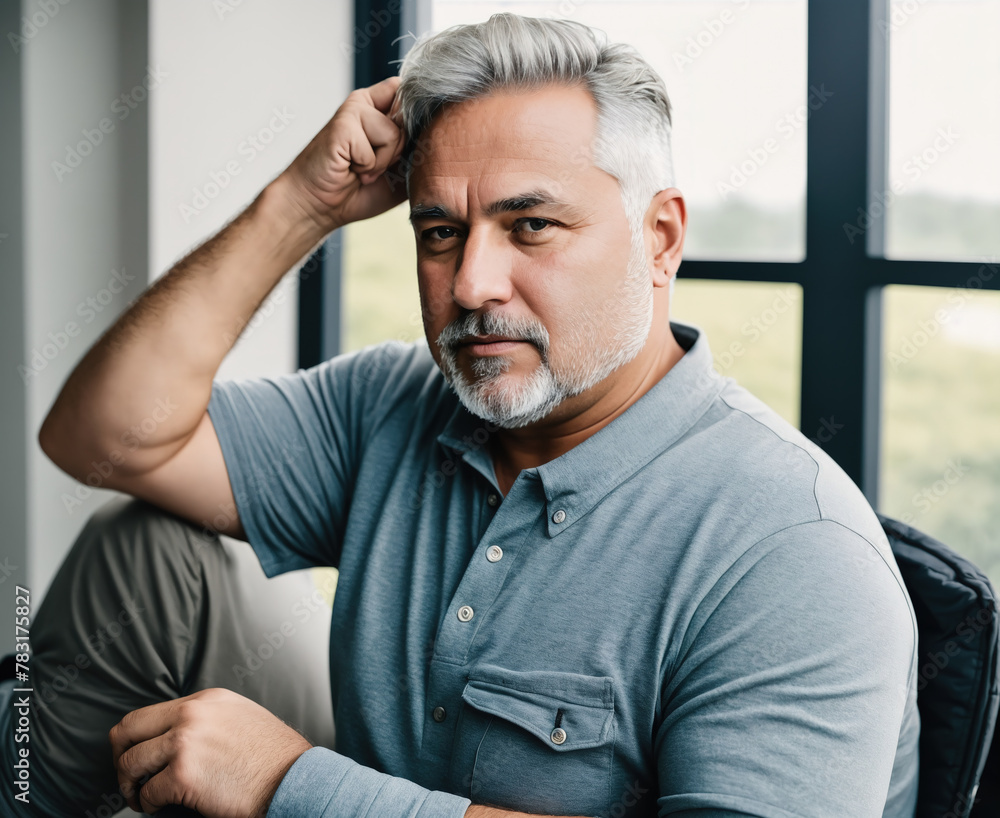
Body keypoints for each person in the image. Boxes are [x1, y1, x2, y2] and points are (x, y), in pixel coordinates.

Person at [3, 12, 919, 818]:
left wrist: (290, 788)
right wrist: (297, 207)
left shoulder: (795, 548)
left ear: (660, 238)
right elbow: (101, 437)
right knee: (148, 550)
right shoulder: (398, 404)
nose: (473, 284)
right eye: (441, 232)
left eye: (532, 226)